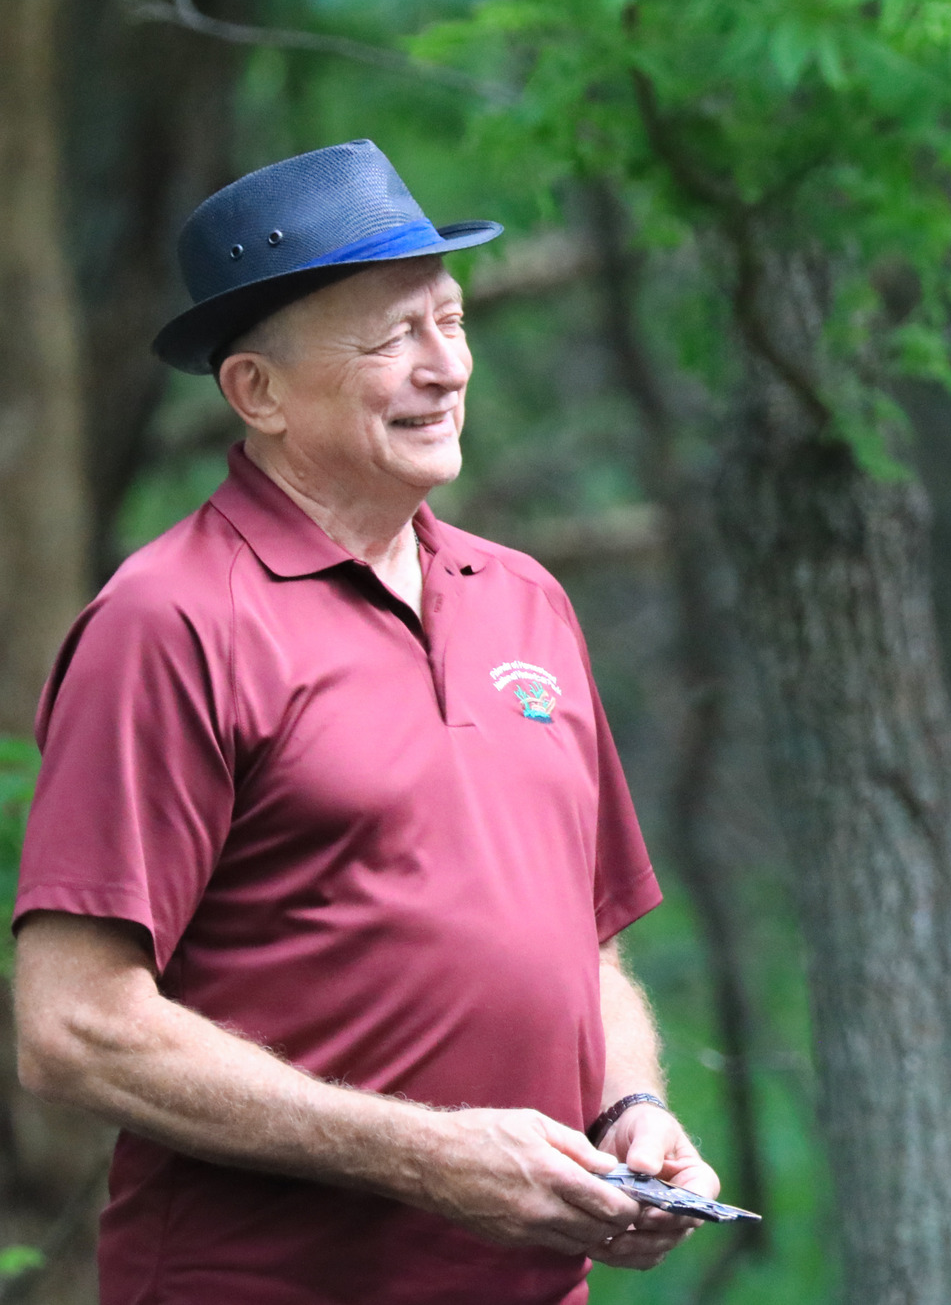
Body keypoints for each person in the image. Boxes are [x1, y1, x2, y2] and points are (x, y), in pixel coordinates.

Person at [11, 140, 718, 1304]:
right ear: (258, 393)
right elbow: (75, 1026)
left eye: (452, 320)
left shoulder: (523, 598)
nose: (447, 368)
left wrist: (629, 1109)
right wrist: (427, 1154)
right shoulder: (172, 617)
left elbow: (579, 944)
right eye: (393, 336)